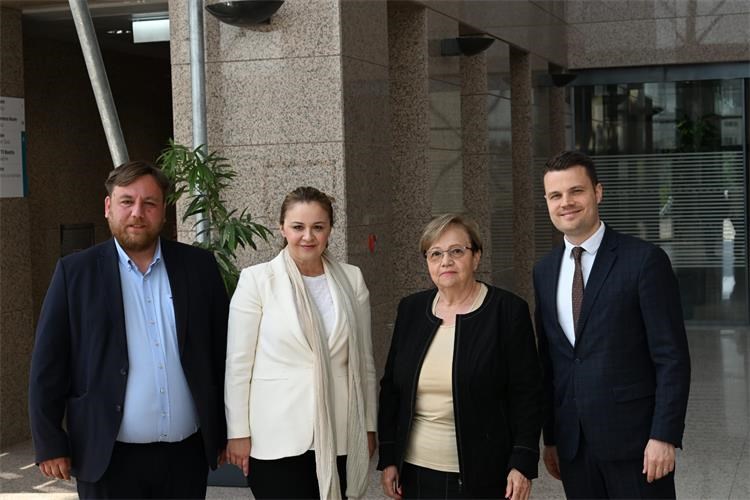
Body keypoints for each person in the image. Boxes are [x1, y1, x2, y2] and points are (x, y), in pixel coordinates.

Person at [28, 161, 229, 498]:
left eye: (149, 203)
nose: (138, 212)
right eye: (127, 202)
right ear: (108, 207)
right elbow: (48, 365)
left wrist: (225, 431)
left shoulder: (199, 267)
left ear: (163, 211)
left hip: (186, 457)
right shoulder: (74, 274)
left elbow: (222, 353)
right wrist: (49, 442)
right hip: (107, 458)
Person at [534, 151, 691, 499]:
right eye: (555, 195)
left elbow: (671, 358)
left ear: (598, 192)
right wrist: (552, 438)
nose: (566, 202)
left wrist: (663, 435)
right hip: (574, 448)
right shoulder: (544, 272)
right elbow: (551, 363)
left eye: (576, 191)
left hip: (638, 445)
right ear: (547, 202)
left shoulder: (644, 261)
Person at [224, 186, 377, 499]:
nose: (308, 236)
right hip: (276, 435)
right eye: (298, 227)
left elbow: (364, 361)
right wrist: (238, 432)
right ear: (282, 228)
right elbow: (238, 365)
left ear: (330, 230)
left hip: (340, 430)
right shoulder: (257, 280)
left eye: (318, 227)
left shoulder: (352, 279)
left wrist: (369, 426)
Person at [377, 214, 543, 500]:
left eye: (457, 251)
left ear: (476, 257)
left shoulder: (507, 311)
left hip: (485, 473)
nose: (446, 261)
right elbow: (391, 388)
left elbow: (527, 393)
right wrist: (389, 456)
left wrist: (522, 461)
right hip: (415, 472)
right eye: (436, 253)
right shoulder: (411, 310)